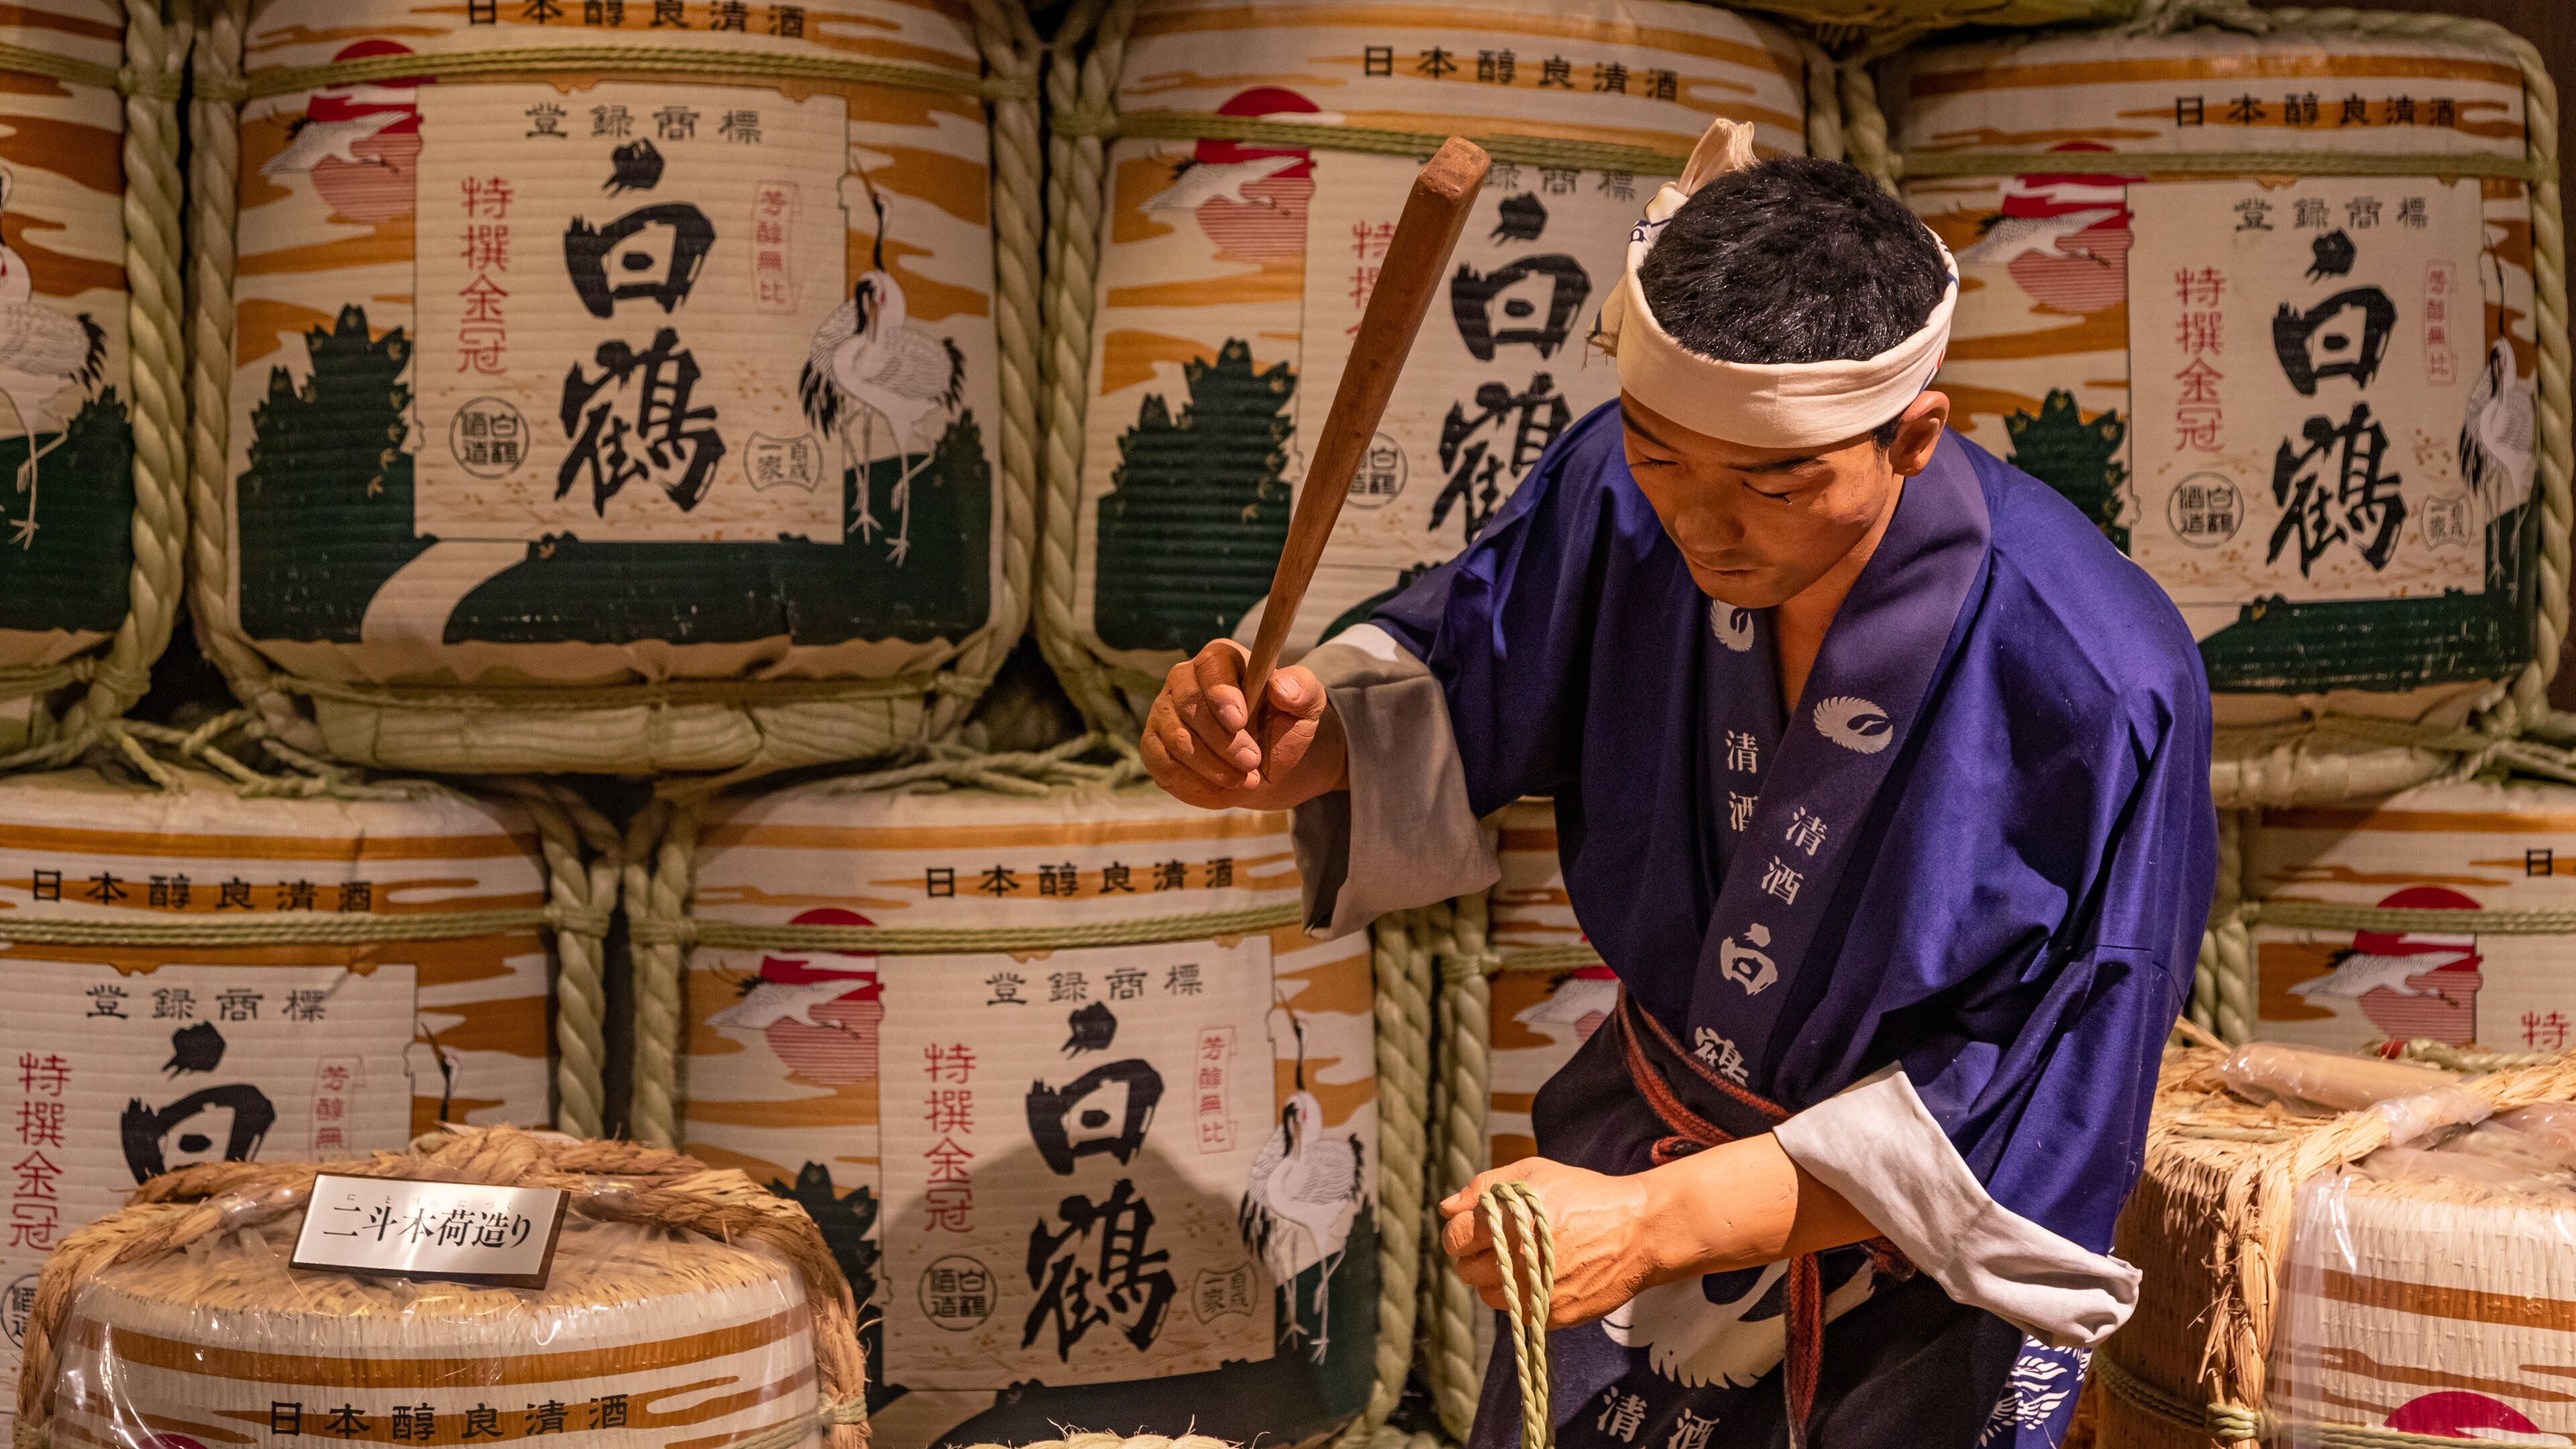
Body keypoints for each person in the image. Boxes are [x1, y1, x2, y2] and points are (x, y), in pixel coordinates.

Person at [1141, 117, 2214, 1449]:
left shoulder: (2099, 678)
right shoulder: (1622, 488)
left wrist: (1661, 1224)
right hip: (1646, 1157)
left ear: (1915, 438)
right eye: (1661, 454)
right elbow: (1464, 679)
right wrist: (1279, 745)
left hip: (1912, 1273)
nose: (1701, 521)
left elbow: (2046, 1083)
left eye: (1775, 482)